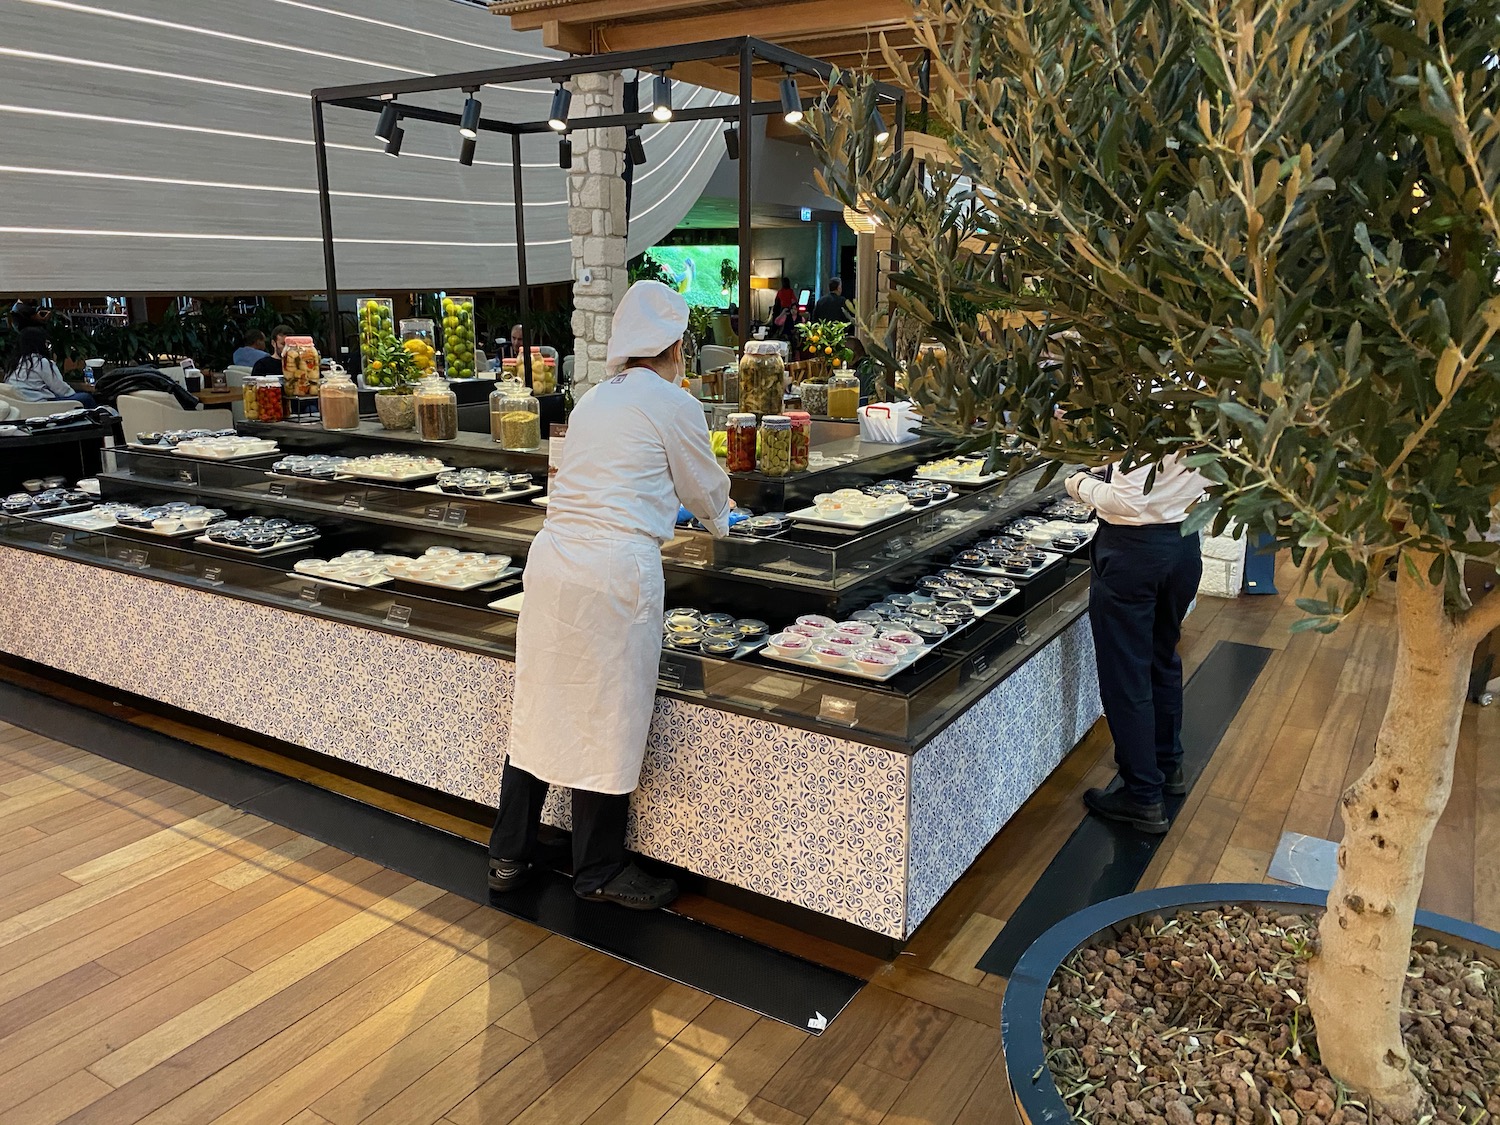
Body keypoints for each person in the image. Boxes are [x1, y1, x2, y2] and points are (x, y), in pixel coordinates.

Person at [488, 281, 733, 910]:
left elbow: (613, 476)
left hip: (555, 563)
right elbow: (707, 492)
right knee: (607, 713)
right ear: (675, 344)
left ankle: (508, 854)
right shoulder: (672, 402)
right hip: (612, 572)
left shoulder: (595, 398)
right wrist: (724, 519)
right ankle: (598, 870)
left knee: (540, 706)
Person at [1066, 456, 1209, 833]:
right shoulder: (1204, 402)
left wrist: (1079, 484)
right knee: (1161, 658)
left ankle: (1143, 796)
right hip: (1182, 543)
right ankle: (1166, 763)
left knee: (1126, 675)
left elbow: (1129, 502)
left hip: (1133, 550)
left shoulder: (1135, 408)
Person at [3, 327, 95, 406]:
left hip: (21, 405)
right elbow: (62, 390)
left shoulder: (14, 363)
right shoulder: (41, 362)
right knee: (86, 398)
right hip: (42, 405)